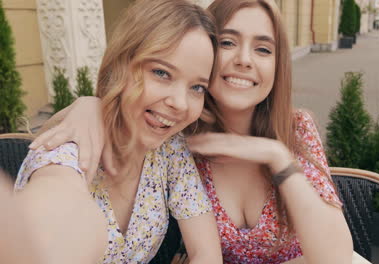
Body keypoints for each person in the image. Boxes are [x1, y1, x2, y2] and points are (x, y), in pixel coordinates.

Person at [32, 0, 353, 263]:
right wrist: (90, 105)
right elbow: (55, 196)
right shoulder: (177, 141)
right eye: (228, 42)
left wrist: (276, 155)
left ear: (278, 65)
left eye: (263, 49)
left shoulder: (294, 129)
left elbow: (337, 258)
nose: (243, 60)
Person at [13, 0, 222, 263]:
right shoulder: (68, 148)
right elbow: (53, 205)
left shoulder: (170, 150)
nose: (180, 103)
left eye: (197, 87)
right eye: (162, 72)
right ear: (120, 64)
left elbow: (206, 253)